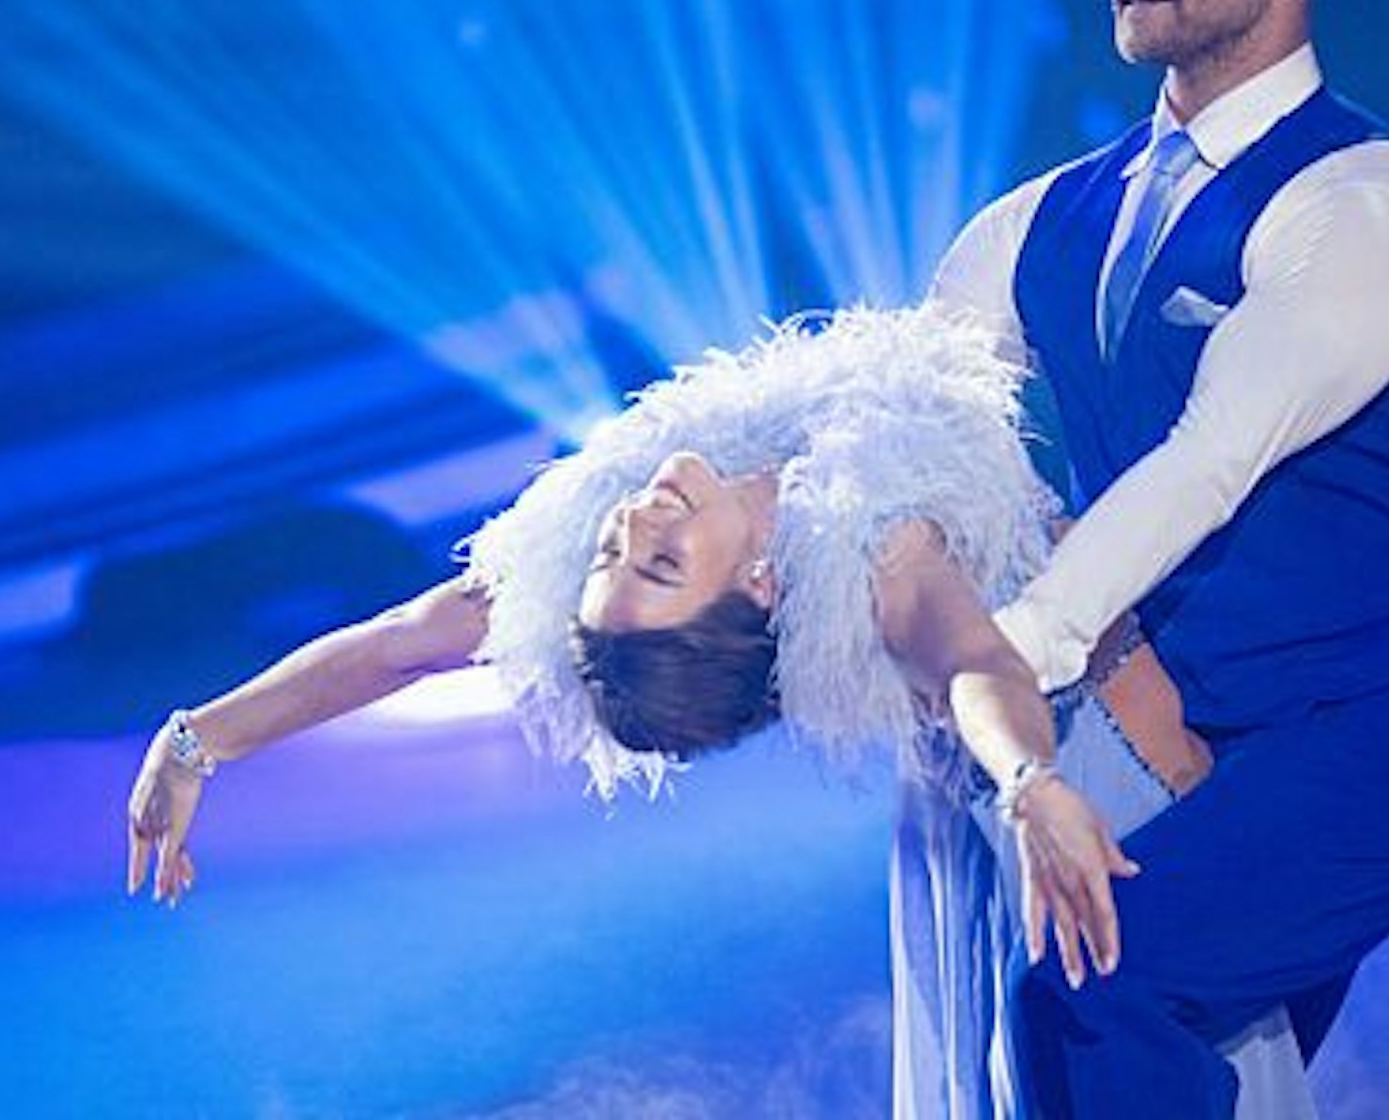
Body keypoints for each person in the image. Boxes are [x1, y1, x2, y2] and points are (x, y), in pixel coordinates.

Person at [123, 305, 1310, 1119]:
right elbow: (972, 663)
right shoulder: (874, 543)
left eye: (616, 553)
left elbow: (401, 641)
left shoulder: (749, 466)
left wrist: (198, 738)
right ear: (755, 589)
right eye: (657, 564)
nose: (633, 524)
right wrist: (1030, 782)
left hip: (1063, 796)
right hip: (1068, 792)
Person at [930, 0, 1389, 1116]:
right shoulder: (1043, 219)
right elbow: (897, 413)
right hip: (1182, 739)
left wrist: (1017, 648)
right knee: (1186, 1055)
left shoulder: (1360, 199)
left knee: (1103, 986)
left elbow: (1212, 456)